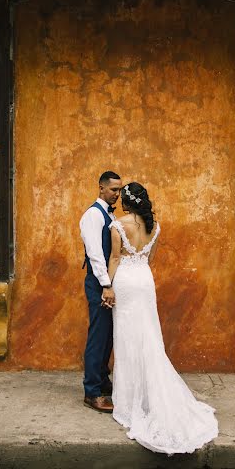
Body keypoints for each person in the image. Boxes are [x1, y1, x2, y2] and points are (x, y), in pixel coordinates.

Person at [106, 182, 219, 454]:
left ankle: (130, 402)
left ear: (127, 202)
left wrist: (107, 286)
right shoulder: (155, 227)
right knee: (149, 336)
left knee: (127, 338)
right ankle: (148, 396)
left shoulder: (117, 226)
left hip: (125, 282)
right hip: (144, 281)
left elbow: (114, 258)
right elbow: (150, 259)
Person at [80, 171, 122, 413]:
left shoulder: (107, 213)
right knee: (98, 335)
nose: (117, 194)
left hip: (107, 283)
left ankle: (102, 380)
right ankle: (92, 392)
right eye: (113, 190)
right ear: (101, 188)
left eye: (119, 190)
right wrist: (106, 285)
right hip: (98, 283)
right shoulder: (93, 216)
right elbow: (96, 255)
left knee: (107, 335)